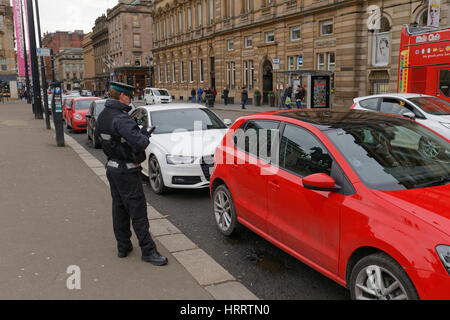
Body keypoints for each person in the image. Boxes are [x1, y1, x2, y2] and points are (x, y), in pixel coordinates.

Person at [96, 81, 168, 266]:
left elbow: (100, 138)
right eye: (129, 96)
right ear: (122, 96)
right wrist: (144, 134)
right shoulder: (122, 118)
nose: (131, 99)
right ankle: (148, 251)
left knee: (119, 209)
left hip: (112, 168)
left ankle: (123, 246)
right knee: (138, 212)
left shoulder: (104, 114)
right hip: (126, 170)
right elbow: (140, 143)